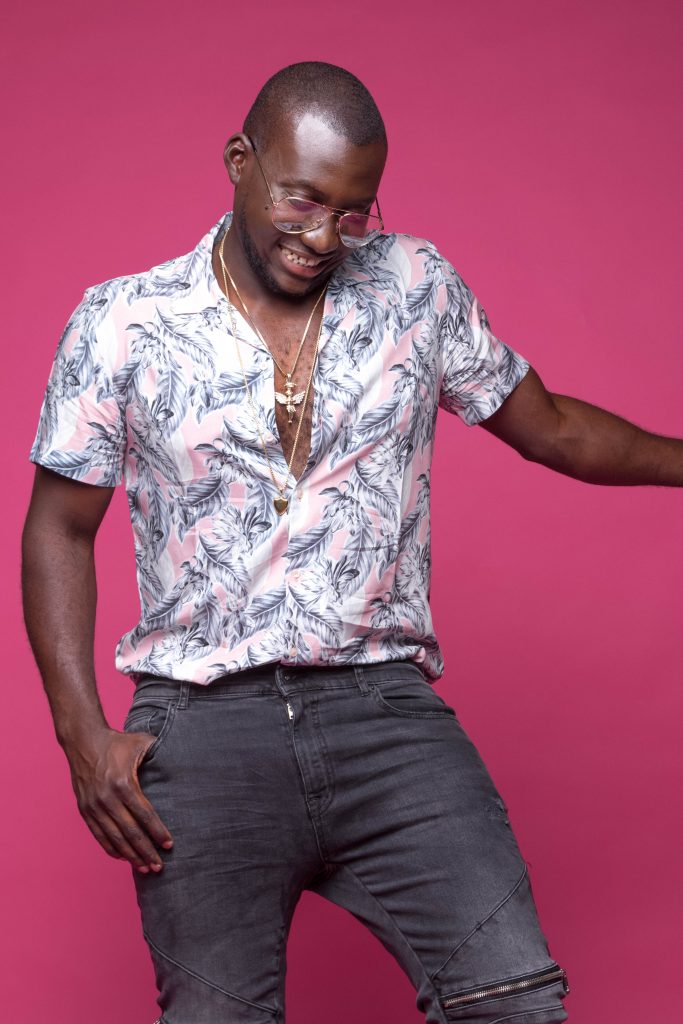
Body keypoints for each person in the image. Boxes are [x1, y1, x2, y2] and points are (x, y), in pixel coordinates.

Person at [21, 61, 681, 1024]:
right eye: (301, 200)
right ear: (239, 161)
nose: (325, 237)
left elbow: (553, 429)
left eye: (353, 212)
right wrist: (82, 735)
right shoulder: (122, 322)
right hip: (199, 727)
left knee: (516, 1003)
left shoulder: (416, 286)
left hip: (384, 713)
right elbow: (58, 525)